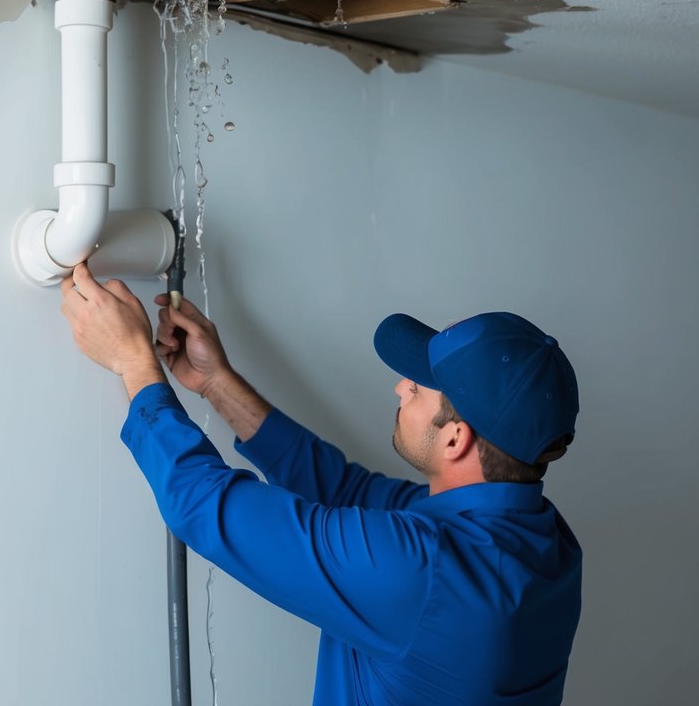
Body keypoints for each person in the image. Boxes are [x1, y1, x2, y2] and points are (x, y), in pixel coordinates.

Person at [60, 262, 582, 706]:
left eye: (420, 387)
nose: (401, 386)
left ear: (455, 441)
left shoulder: (423, 570)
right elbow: (346, 491)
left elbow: (204, 504)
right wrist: (218, 383)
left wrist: (134, 362)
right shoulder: (543, 542)